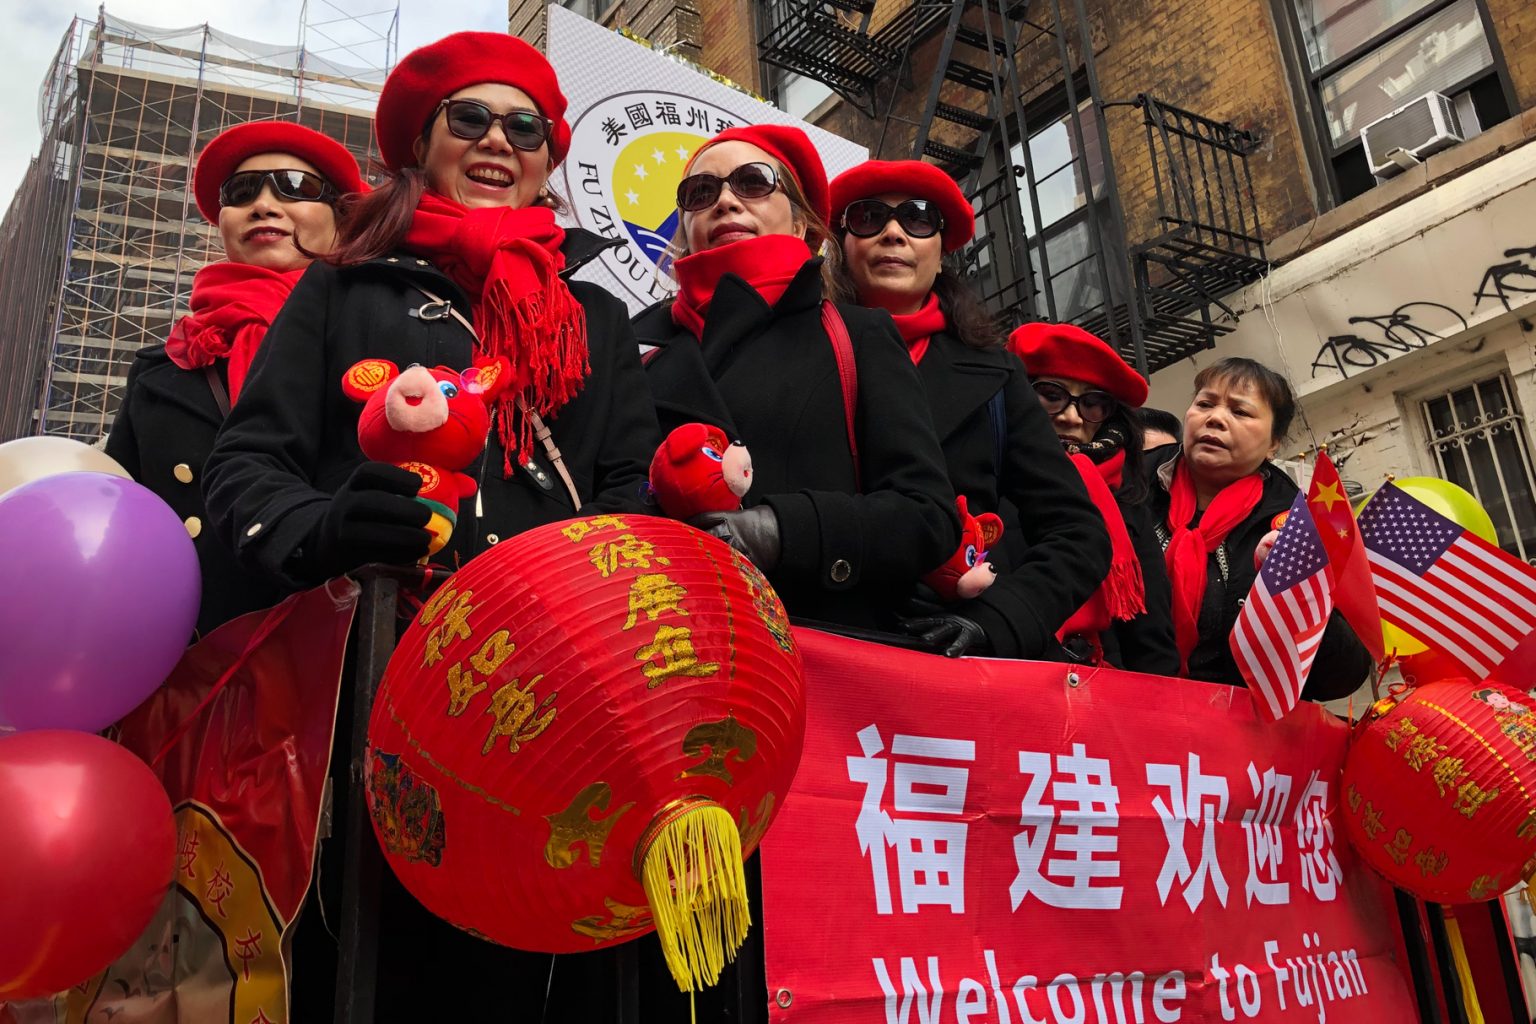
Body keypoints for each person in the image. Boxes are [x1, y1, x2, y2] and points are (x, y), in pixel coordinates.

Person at [201, 32, 661, 1018]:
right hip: (377, 688)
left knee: (547, 973)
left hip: (553, 701)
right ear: (424, 142)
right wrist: (331, 525)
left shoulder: (596, 316)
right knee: (383, 972)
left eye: (525, 128)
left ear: (547, 158)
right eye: (471, 118)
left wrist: (583, 587)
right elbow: (246, 470)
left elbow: (629, 492)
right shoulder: (344, 286)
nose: (498, 140)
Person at [634, 127, 959, 634]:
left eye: (753, 182)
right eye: (701, 192)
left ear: (802, 225)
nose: (725, 201)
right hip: (661, 645)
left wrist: (783, 531)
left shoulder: (857, 335)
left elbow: (927, 516)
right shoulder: (638, 349)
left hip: (818, 651)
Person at [827, 159, 1109, 658]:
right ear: (842, 245)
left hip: (950, 662)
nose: (893, 232)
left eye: (918, 218)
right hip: (816, 642)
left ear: (941, 254)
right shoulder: (792, 355)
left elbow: (1077, 532)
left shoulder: (996, 377)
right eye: (868, 217)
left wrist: (999, 618)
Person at [106, 121, 364, 636]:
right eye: (242, 191)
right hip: (193, 646)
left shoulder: (375, 343)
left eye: (296, 187)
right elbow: (118, 520)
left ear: (341, 219)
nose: (264, 205)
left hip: (341, 642)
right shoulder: (162, 368)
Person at [1146, 357, 1371, 694]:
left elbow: (1343, 675)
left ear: (1273, 443)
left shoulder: (1297, 527)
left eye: (1240, 412)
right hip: (1110, 707)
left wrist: (1297, 588)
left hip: (1234, 717)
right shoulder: (1128, 487)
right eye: (1205, 404)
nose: (1215, 418)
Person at [1008, 322, 1179, 673]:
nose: (1071, 417)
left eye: (1092, 403)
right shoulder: (987, 476)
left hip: (1105, 687)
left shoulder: (1126, 500)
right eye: (1051, 395)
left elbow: (1152, 642)